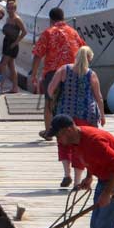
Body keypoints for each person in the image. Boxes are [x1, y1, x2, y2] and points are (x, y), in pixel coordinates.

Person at [47, 46, 105, 187]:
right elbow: (99, 97)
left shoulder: (64, 70)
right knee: (81, 146)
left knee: (63, 142)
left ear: (76, 56)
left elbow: (50, 89)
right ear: (89, 58)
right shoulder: (91, 74)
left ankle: (67, 175)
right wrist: (102, 115)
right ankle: (77, 182)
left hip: (65, 112)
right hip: (86, 114)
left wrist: (54, 100)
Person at [30, 7, 85, 140]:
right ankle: (71, 132)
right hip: (72, 71)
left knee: (49, 102)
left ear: (51, 19)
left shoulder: (48, 33)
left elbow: (38, 55)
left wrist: (34, 74)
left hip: (53, 72)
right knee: (69, 101)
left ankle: (49, 133)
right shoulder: (73, 32)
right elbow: (83, 49)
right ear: (63, 17)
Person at [0, 0, 27, 93]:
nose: (9, 10)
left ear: (15, 9)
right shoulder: (7, 18)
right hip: (6, 43)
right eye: (8, 8)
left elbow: (24, 32)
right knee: (11, 66)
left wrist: (15, 43)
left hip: (12, 44)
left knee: (2, 64)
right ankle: (15, 88)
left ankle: (0, 86)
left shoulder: (17, 19)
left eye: (11, 8)